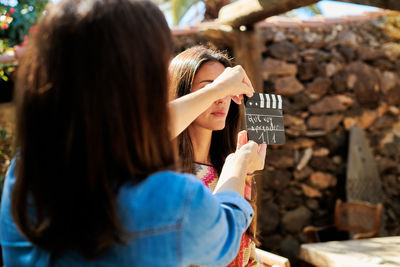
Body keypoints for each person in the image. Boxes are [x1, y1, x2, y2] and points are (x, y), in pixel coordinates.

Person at [0, 0, 267, 266]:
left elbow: (127, 136)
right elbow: (222, 235)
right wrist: (239, 165)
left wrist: (213, 91)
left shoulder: (26, 171)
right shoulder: (168, 197)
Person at [169, 46, 266, 267]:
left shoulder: (230, 166)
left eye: (227, 90)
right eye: (210, 87)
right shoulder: (160, 174)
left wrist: (245, 172)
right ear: (182, 94)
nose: (222, 98)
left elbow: (246, 249)